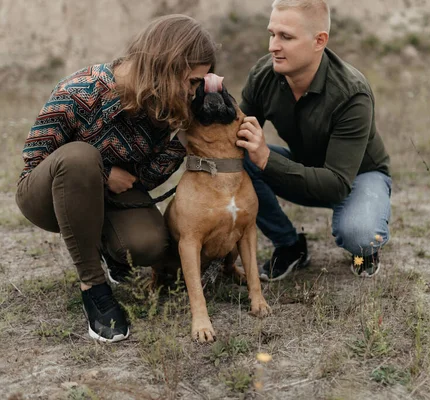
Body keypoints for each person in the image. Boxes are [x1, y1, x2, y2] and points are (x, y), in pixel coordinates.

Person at [15, 15, 218, 343]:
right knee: (81, 158)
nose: (193, 90)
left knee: (150, 244)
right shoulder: (82, 89)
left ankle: (108, 249)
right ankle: (93, 287)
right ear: (167, 65)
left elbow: (143, 179)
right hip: (46, 194)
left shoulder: (163, 105)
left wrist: (186, 136)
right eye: (192, 80)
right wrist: (104, 174)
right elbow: (35, 160)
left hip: (106, 198)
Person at [236, 0, 391, 281]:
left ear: (319, 40)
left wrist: (267, 160)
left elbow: (336, 184)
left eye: (286, 37)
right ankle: (289, 245)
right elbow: (234, 134)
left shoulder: (352, 94)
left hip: (356, 177)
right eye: (272, 34)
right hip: (304, 165)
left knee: (359, 234)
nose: (273, 45)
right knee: (241, 156)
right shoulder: (264, 74)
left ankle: (364, 252)